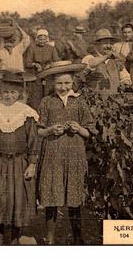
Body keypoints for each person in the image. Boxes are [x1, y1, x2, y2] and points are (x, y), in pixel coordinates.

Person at [0, 69, 39, 245]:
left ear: (20, 93)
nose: (8, 96)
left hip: (19, 162)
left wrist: (32, 164)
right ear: (0, 91)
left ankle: (15, 235)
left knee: (17, 197)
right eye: (5, 91)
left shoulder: (27, 112)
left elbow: (33, 140)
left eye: (13, 92)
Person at [37, 61, 93, 245]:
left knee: (74, 194)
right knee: (52, 193)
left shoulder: (80, 101)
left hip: (74, 153)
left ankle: (78, 237)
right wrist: (50, 130)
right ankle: (50, 237)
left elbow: (89, 131)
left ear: (73, 83)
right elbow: (39, 130)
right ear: (53, 84)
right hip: (53, 152)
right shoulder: (46, 102)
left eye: (67, 83)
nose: (63, 87)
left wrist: (78, 128)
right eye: (59, 83)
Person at [82, 28, 132, 97]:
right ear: (97, 45)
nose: (109, 46)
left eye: (110, 43)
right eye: (105, 43)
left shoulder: (115, 61)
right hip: (94, 101)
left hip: (114, 101)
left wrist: (125, 82)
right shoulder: (89, 57)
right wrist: (106, 56)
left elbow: (125, 76)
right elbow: (91, 64)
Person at [24, 28, 60, 109]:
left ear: (47, 39)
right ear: (37, 39)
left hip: (49, 75)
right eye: (40, 39)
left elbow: (57, 61)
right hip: (36, 75)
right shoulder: (32, 48)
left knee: (49, 95)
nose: (42, 41)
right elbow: (27, 63)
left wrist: (50, 65)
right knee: (36, 97)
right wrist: (35, 64)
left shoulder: (51, 48)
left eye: (44, 39)